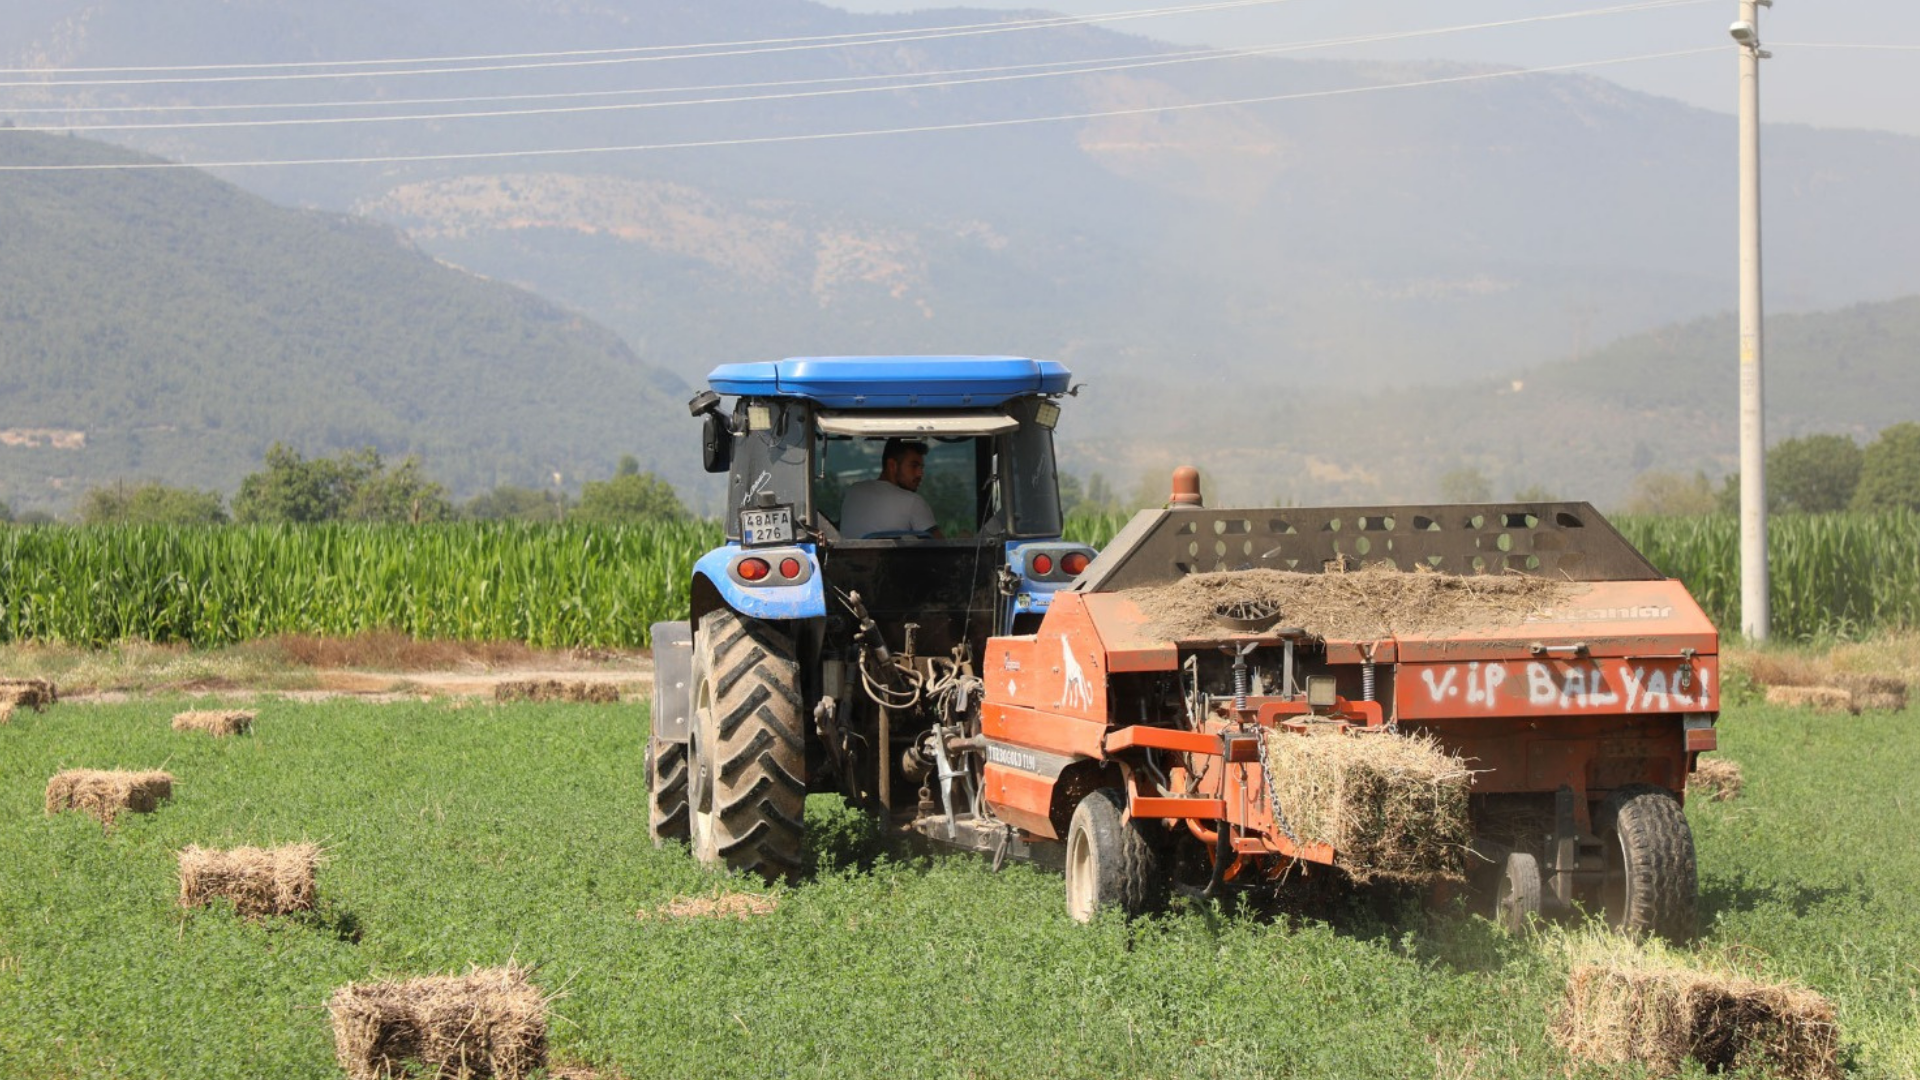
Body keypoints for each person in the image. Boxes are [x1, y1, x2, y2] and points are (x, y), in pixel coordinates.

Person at [838, 438, 943, 539]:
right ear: (892, 465)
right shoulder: (913, 502)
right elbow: (944, 551)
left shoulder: (853, 492)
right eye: (914, 466)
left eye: (921, 467)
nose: (920, 474)